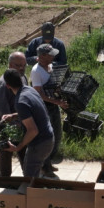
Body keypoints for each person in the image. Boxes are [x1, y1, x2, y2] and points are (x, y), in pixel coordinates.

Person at [0, 69, 55, 178]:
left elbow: (33, 131)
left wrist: (18, 147)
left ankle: (35, 194)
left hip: (40, 143)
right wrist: (14, 116)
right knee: (33, 174)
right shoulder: (30, 90)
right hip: (49, 137)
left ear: (7, 86)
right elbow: (33, 111)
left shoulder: (20, 101)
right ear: (21, 79)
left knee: (29, 178)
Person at [31, 43, 69, 176]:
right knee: (47, 137)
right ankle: (44, 166)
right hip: (44, 107)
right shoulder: (36, 71)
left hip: (53, 105)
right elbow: (39, 94)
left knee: (57, 135)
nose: (53, 56)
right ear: (42, 56)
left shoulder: (50, 66)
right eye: (50, 54)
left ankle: (48, 162)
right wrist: (57, 101)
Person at [0, 51, 28, 178]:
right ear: (10, 65)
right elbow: (2, 110)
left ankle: (28, 177)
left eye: (24, 65)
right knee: (6, 151)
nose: (21, 68)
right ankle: (4, 178)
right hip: (6, 124)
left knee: (23, 149)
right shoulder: (4, 83)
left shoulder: (23, 77)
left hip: (20, 121)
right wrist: (15, 124)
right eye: (18, 65)